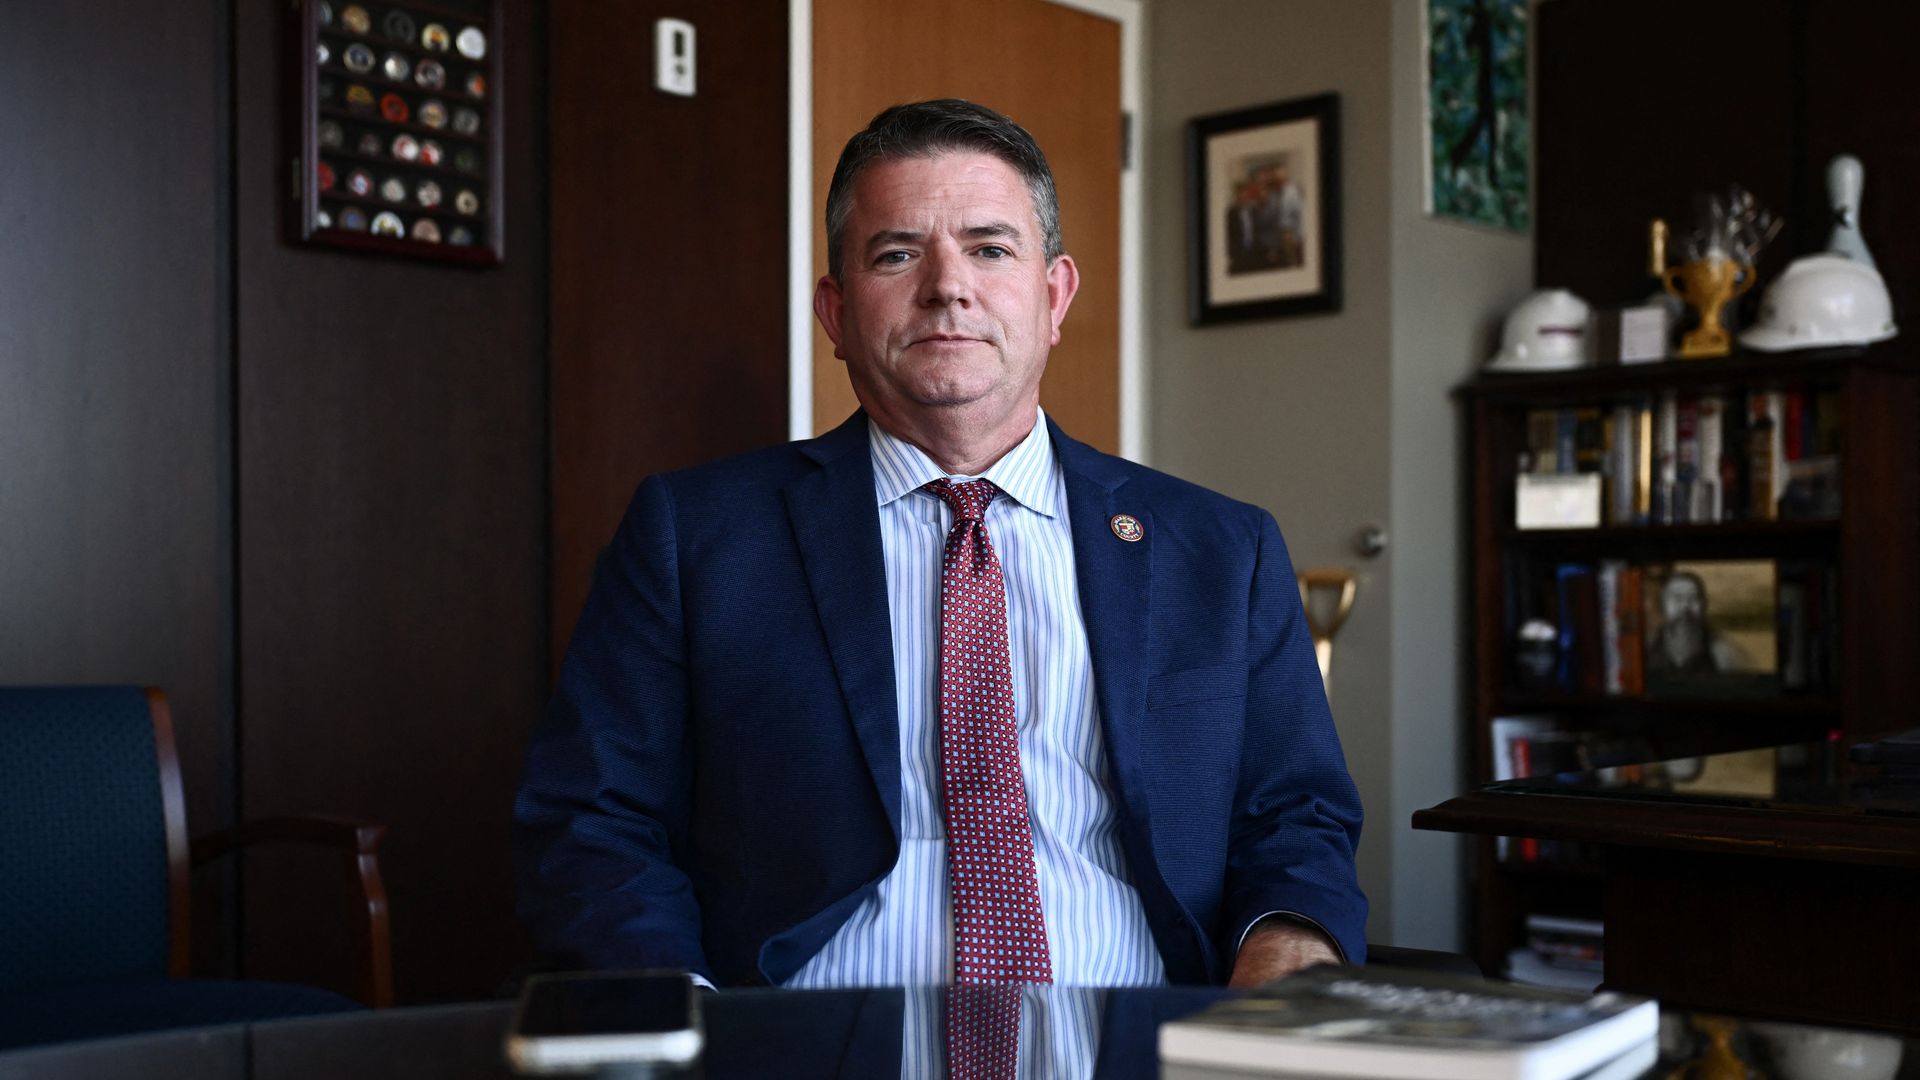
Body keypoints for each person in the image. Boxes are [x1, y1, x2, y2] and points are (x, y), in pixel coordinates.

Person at [514, 100, 1366, 992]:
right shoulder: (695, 536)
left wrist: (1285, 952)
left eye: (991, 248)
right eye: (897, 253)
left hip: (1137, 1031)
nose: (947, 286)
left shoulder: (1222, 549)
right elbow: (592, 819)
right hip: (805, 1043)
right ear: (836, 313)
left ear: (1054, 295)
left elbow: (1295, 812)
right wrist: (691, 1029)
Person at [1647, 571, 1747, 674]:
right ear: (1663, 604)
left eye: (1693, 598)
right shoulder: (1645, 649)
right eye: (1677, 598)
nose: (1685, 606)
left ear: (1704, 605)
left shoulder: (1727, 654)